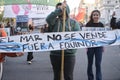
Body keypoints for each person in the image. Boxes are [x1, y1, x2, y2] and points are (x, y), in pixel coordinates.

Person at [46, 2, 80, 80]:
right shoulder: (53, 22)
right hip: (55, 54)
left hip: (69, 54)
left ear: (67, 9)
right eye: (58, 9)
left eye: (62, 9)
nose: (60, 11)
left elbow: (78, 37)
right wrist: (59, 9)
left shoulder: (74, 23)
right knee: (57, 76)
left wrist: (70, 49)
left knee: (68, 76)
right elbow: (48, 19)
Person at [85, 10, 104, 80]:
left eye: (97, 15)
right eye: (94, 15)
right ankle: (90, 78)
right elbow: (85, 36)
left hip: (99, 47)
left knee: (98, 64)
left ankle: (99, 78)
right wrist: (86, 46)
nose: (95, 16)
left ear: (99, 16)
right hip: (90, 46)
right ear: (92, 16)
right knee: (90, 63)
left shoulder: (101, 25)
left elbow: (103, 37)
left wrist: (103, 46)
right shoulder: (88, 24)